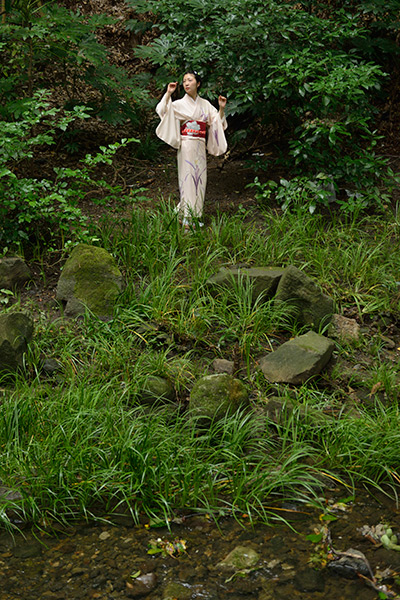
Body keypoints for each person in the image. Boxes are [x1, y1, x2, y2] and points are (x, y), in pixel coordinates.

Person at [155, 72, 227, 228]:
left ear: (198, 83)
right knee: (187, 179)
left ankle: (193, 215)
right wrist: (168, 93)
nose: (186, 83)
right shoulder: (179, 104)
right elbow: (163, 111)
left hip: (200, 145)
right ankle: (187, 217)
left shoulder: (205, 104)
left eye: (190, 80)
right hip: (187, 144)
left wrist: (221, 109)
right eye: (184, 81)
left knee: (200, 180)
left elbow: (216, 122)